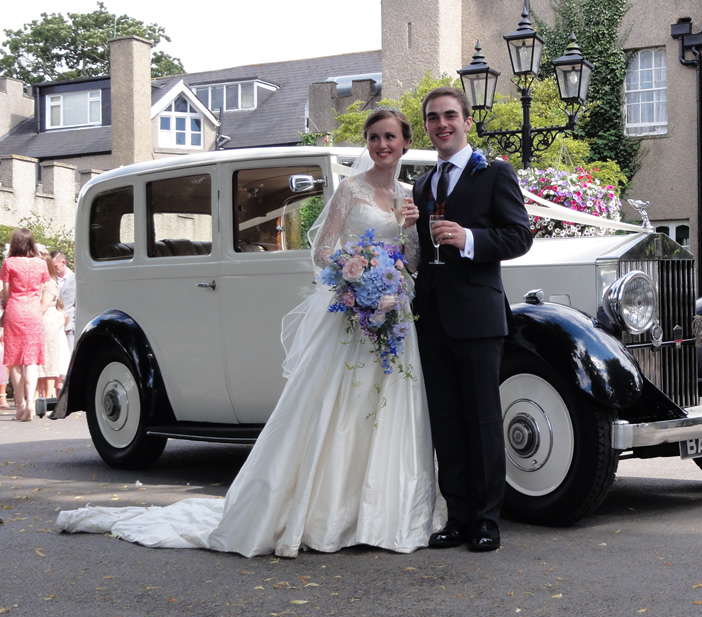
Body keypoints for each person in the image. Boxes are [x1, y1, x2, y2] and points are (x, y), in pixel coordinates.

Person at [57, 108, 443, 557]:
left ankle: (383, 513)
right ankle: (330, 510)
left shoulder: (407, 196)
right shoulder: (350, 190)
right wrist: (356, 278)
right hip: (353, 314)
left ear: (404, 142)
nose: (382, 145)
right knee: (337, 411)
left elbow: (411, 260)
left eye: (390, 137)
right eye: (374, 137)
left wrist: (408, 234)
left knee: (391, 409)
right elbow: (322, 252)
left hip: (392, 315)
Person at [413, 87, 533, 552]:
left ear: (466, 121)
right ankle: (458, 516)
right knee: (446, 421)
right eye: (432, 118)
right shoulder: (423, 185)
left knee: (483, 421)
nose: (441, 124)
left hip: (479, 317)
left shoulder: (495, 173)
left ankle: (486, 521)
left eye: (449, 116)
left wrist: (467, 238)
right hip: (431, 315)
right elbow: (419, 252)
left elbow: (519, 236)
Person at [1, 228, 51, 421]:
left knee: (15, 360)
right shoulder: (41, 264)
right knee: (30, 360)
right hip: (34, 311)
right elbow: (40, 290)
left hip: (15, 308)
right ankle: (31, 402)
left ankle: (20, 406)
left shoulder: (9, 263)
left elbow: (5, 292)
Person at [37, 249, 69, 399]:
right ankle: (38, 397)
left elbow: (43, 306)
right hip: (42, 324)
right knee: (40, 364)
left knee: (53, 363)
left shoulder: (51, 284)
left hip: (53, 324)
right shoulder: (39, 284)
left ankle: (51, 397)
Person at [51, 250, 76, 354]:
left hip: (70, 326)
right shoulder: (51, 280)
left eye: (55, 266)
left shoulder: (75, 278)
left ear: (63, 263)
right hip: (54, 325)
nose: (54, 270)